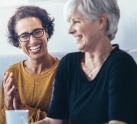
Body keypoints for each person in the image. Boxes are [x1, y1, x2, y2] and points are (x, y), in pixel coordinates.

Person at [32, 0, 137, 124]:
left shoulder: (121, 64)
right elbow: (53, 120)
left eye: (76, 21)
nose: (70, 30)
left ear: (101, 22)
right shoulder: (68, 64)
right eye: (70, 23)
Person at [0, 5, 60, 124]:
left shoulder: (64, 70)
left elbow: (65, 120)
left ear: (46, 31)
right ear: (18, 42)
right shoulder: (12, 73)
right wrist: (8, 107)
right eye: (24, 36)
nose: (32, 41)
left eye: (37, 32)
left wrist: (22, 108)